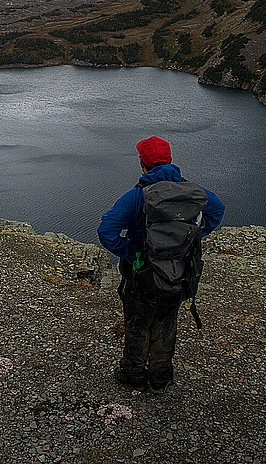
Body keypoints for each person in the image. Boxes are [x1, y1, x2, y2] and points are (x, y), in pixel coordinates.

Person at [96, 135, 225, 392]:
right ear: (170, 160)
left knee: (137, 324)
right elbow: (217, 210)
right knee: (166, 324)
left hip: (141, 274)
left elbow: (107, 230)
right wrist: (189, 239)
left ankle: (132, 374)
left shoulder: (136, 196)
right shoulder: (191, 192)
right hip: (178, 272)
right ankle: (160, 379)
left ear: (143, 164)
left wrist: (130, 252)